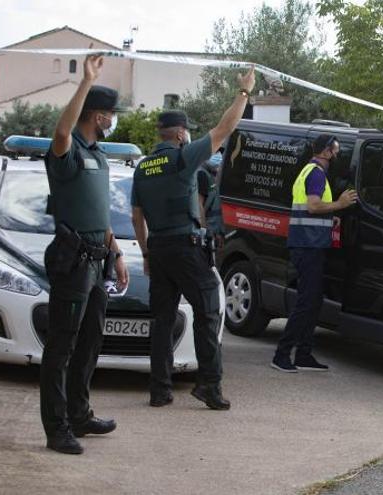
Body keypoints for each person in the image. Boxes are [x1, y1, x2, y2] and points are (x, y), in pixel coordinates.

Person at [131, 65, 256, 410]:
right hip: (185, 248)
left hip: (157, 249)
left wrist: (145, 254)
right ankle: (209, 386)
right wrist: (244, 92)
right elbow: (225, 128)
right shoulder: (183, 158)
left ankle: (159, 389)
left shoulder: (142, 167)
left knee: (162, 320)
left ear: (160, 134)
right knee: (208, 312)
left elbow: (136, 217)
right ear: (181, 134)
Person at [40, 54, 129, 455]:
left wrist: (117, 253)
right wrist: (85, 81)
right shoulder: (69, 150)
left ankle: (80, 413)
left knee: (91, 340)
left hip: (98, 260)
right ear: (97, 115)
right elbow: (61, 131)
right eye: (110, 114)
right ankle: (56, 428)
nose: (113, 120)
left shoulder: (99, 154)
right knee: (61, 347)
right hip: (72, 261)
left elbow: (100, 214)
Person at [271, 135, 358, 373]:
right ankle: (282, 354)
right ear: (327, 152)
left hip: (309, 245)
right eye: (336, 150)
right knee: (306, 302)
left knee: (313, 301)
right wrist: (339, 204)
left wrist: (331, 216)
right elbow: (312, 205)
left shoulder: (308, 170)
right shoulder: (317, 173)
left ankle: (303, 354)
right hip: (307, 246)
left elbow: (314, 210)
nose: (338, 155)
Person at [197, 150, 225, 247]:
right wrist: (204, 233)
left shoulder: (213, 174)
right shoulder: (201, 174)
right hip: (208, 235)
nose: (219, 155)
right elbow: (199, 207)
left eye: (220, 152)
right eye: (215, 152)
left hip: (214, 232)